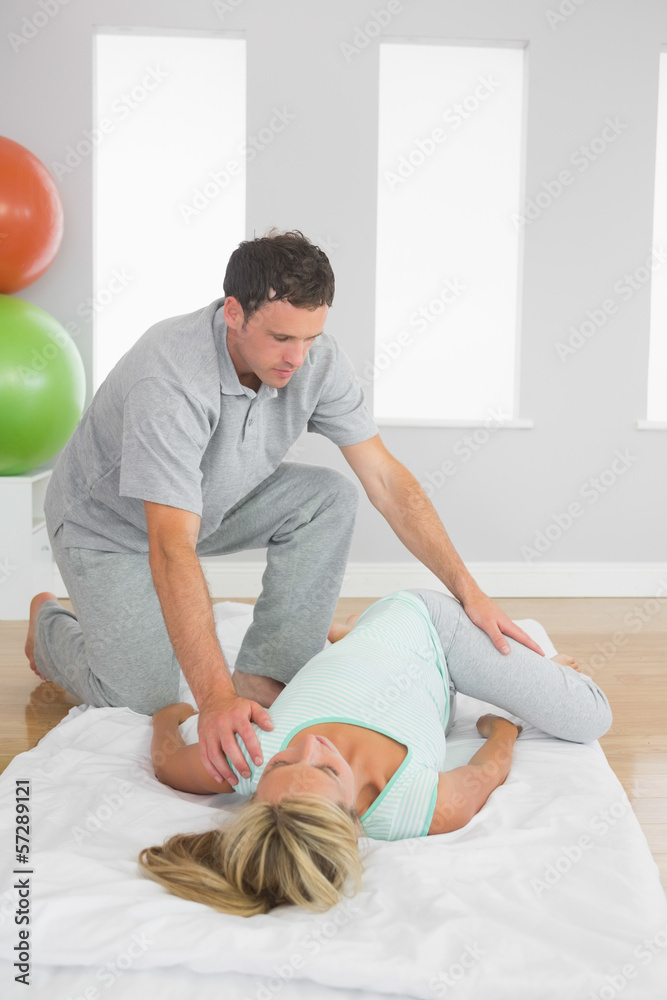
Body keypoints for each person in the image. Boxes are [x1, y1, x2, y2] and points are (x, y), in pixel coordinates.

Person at [25, 229, 545, 792]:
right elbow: (169, 547)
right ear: (232, 312)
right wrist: (216, 700)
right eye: (280, 338)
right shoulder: (170, 380)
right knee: (142, 700)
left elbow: (386, 480)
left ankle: (265, 672)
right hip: (108, 528)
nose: (297, 358)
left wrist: (471, 591)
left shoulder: (313, 360)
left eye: (310, 337)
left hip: (209, 503)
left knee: (330, 497)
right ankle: (48, 628)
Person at [139, 588, 612, 917]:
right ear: (351, 816)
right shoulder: (419, 807)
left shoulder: (245, 762)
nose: (308, 746)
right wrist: (504, 725)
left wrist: (169, 713)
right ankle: (350, 632)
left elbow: (164, 761)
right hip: (437, 676)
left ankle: (353, 631)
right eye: (324, 769)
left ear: (258, 788)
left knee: (582, 714)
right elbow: (489, 769)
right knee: (592, 716)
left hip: (424, 620)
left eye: (281, 763)